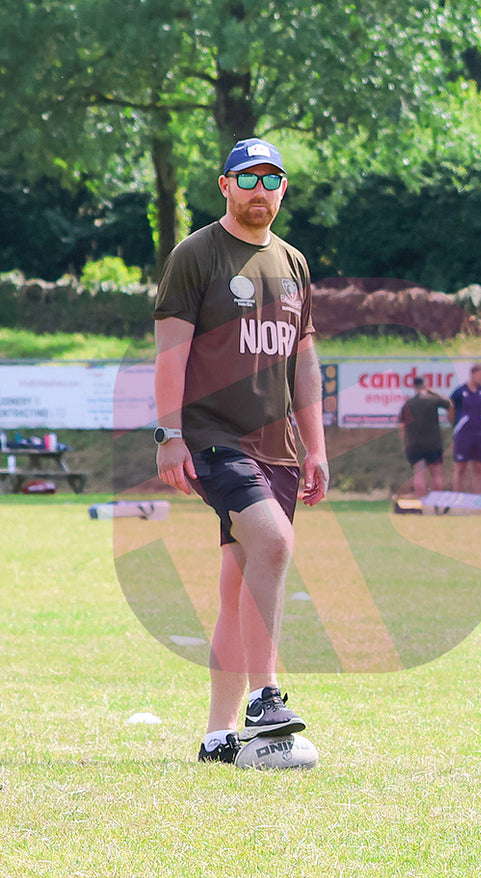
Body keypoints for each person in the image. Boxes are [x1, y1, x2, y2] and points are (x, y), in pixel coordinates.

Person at [152, 137, 329, 765]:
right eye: (247, 178)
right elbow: (171, 351)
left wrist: (316, 447)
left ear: (284, 190)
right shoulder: (195, 254)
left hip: (278, 446)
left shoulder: (294, 262)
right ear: (224, 185)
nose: (261, 190)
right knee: (275, 543)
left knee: (237, 583)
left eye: (272, 180)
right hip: (213, 436)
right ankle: (265, 697)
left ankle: (218, 736)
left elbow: (304, 361)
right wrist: (169, 434)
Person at [398, 376, 450, 498]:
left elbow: (402, 426)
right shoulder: (432, 400)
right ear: (425, 385)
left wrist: (404, 443)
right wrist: (433, 392)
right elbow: (448, 403)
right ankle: (436, 503)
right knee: (436, 475)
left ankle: (421, 502)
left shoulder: (408, 404)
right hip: (433, 443)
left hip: (415, 444)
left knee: (419, 473)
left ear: (414, 387)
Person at [450, 362, 481, 494]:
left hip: (480, 435)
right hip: (463, 435)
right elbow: (451, 411)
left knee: (479, 468)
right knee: (460, 467)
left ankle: (478, 500)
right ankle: (457, 499)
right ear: (473, 374)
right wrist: (457, 426)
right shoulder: (459, 392)